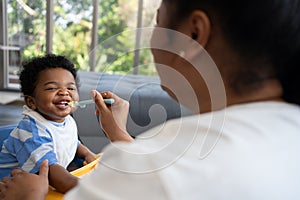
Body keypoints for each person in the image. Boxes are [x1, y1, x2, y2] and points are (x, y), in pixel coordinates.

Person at [1, 0, 300, 199]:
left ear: (194, 34)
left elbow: (154, 172)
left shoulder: (164, 166)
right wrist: (118, 134)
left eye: (159, 23)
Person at [0, 54, 95, 193]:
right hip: (13, 191)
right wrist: (97, 189)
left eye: (71, 88)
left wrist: (87, 153)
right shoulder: (31, 132)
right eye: (51, 88)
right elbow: (56, 177)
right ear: (31, 102)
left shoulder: (66, 120)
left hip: (46, 181)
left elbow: (71, 141)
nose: (64, 92)